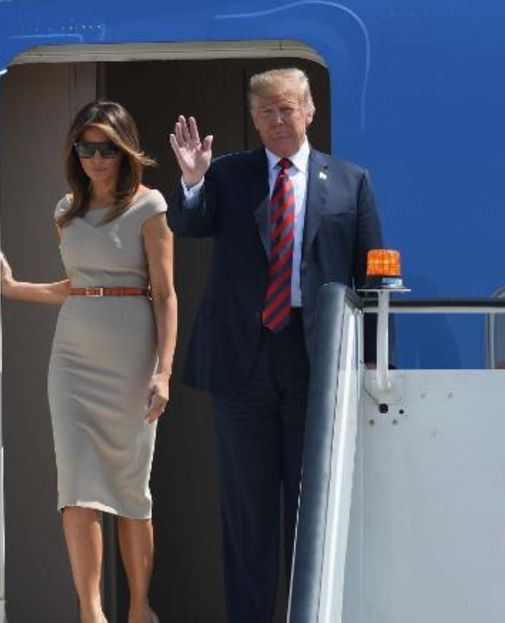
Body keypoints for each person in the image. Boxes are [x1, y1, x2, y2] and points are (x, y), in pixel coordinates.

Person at [167, 67, 384, 622]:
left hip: (317, 366)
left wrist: (373, 363)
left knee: (313, 513)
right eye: (266, 112)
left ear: (309, 112)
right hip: (244, 365)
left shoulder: (350, 181)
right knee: (248, 517)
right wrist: (192, 180)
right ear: (254, 119)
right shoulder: (230, 175)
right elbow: (192, 225)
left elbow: (372, 278)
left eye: (287, 109)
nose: (278, 120)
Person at [0, 101, 176, 623]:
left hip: (131, 354)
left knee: (128, 486)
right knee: (76, 487)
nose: (97, 158)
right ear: (75, 152)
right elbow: (78, 286)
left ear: (125, 151)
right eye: (87, 148)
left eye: (107, 149)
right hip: (73, 357)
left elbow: (165, 295)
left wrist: (163, 372)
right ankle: (91, 612)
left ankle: (140, 607)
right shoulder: (65, 211)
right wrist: (14, 290)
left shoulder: (150, 207)